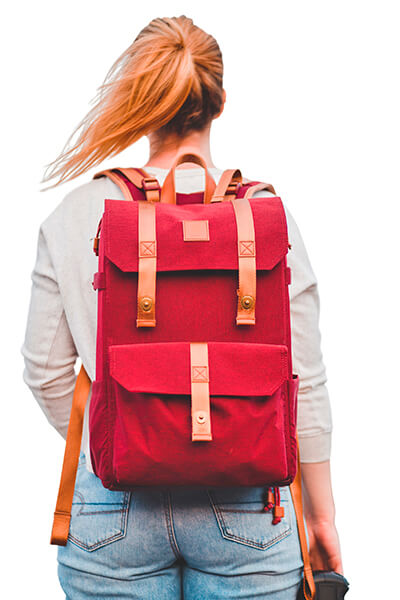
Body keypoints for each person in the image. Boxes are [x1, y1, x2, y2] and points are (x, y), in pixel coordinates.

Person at [21, 14, 343, 600]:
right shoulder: (268, 219)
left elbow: (44, 373)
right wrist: (321, 520)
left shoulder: (75, 214)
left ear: (139, 103)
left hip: (112, 516)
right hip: (249, 511)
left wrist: (127, 439)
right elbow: (306, 384)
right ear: (220, 103)